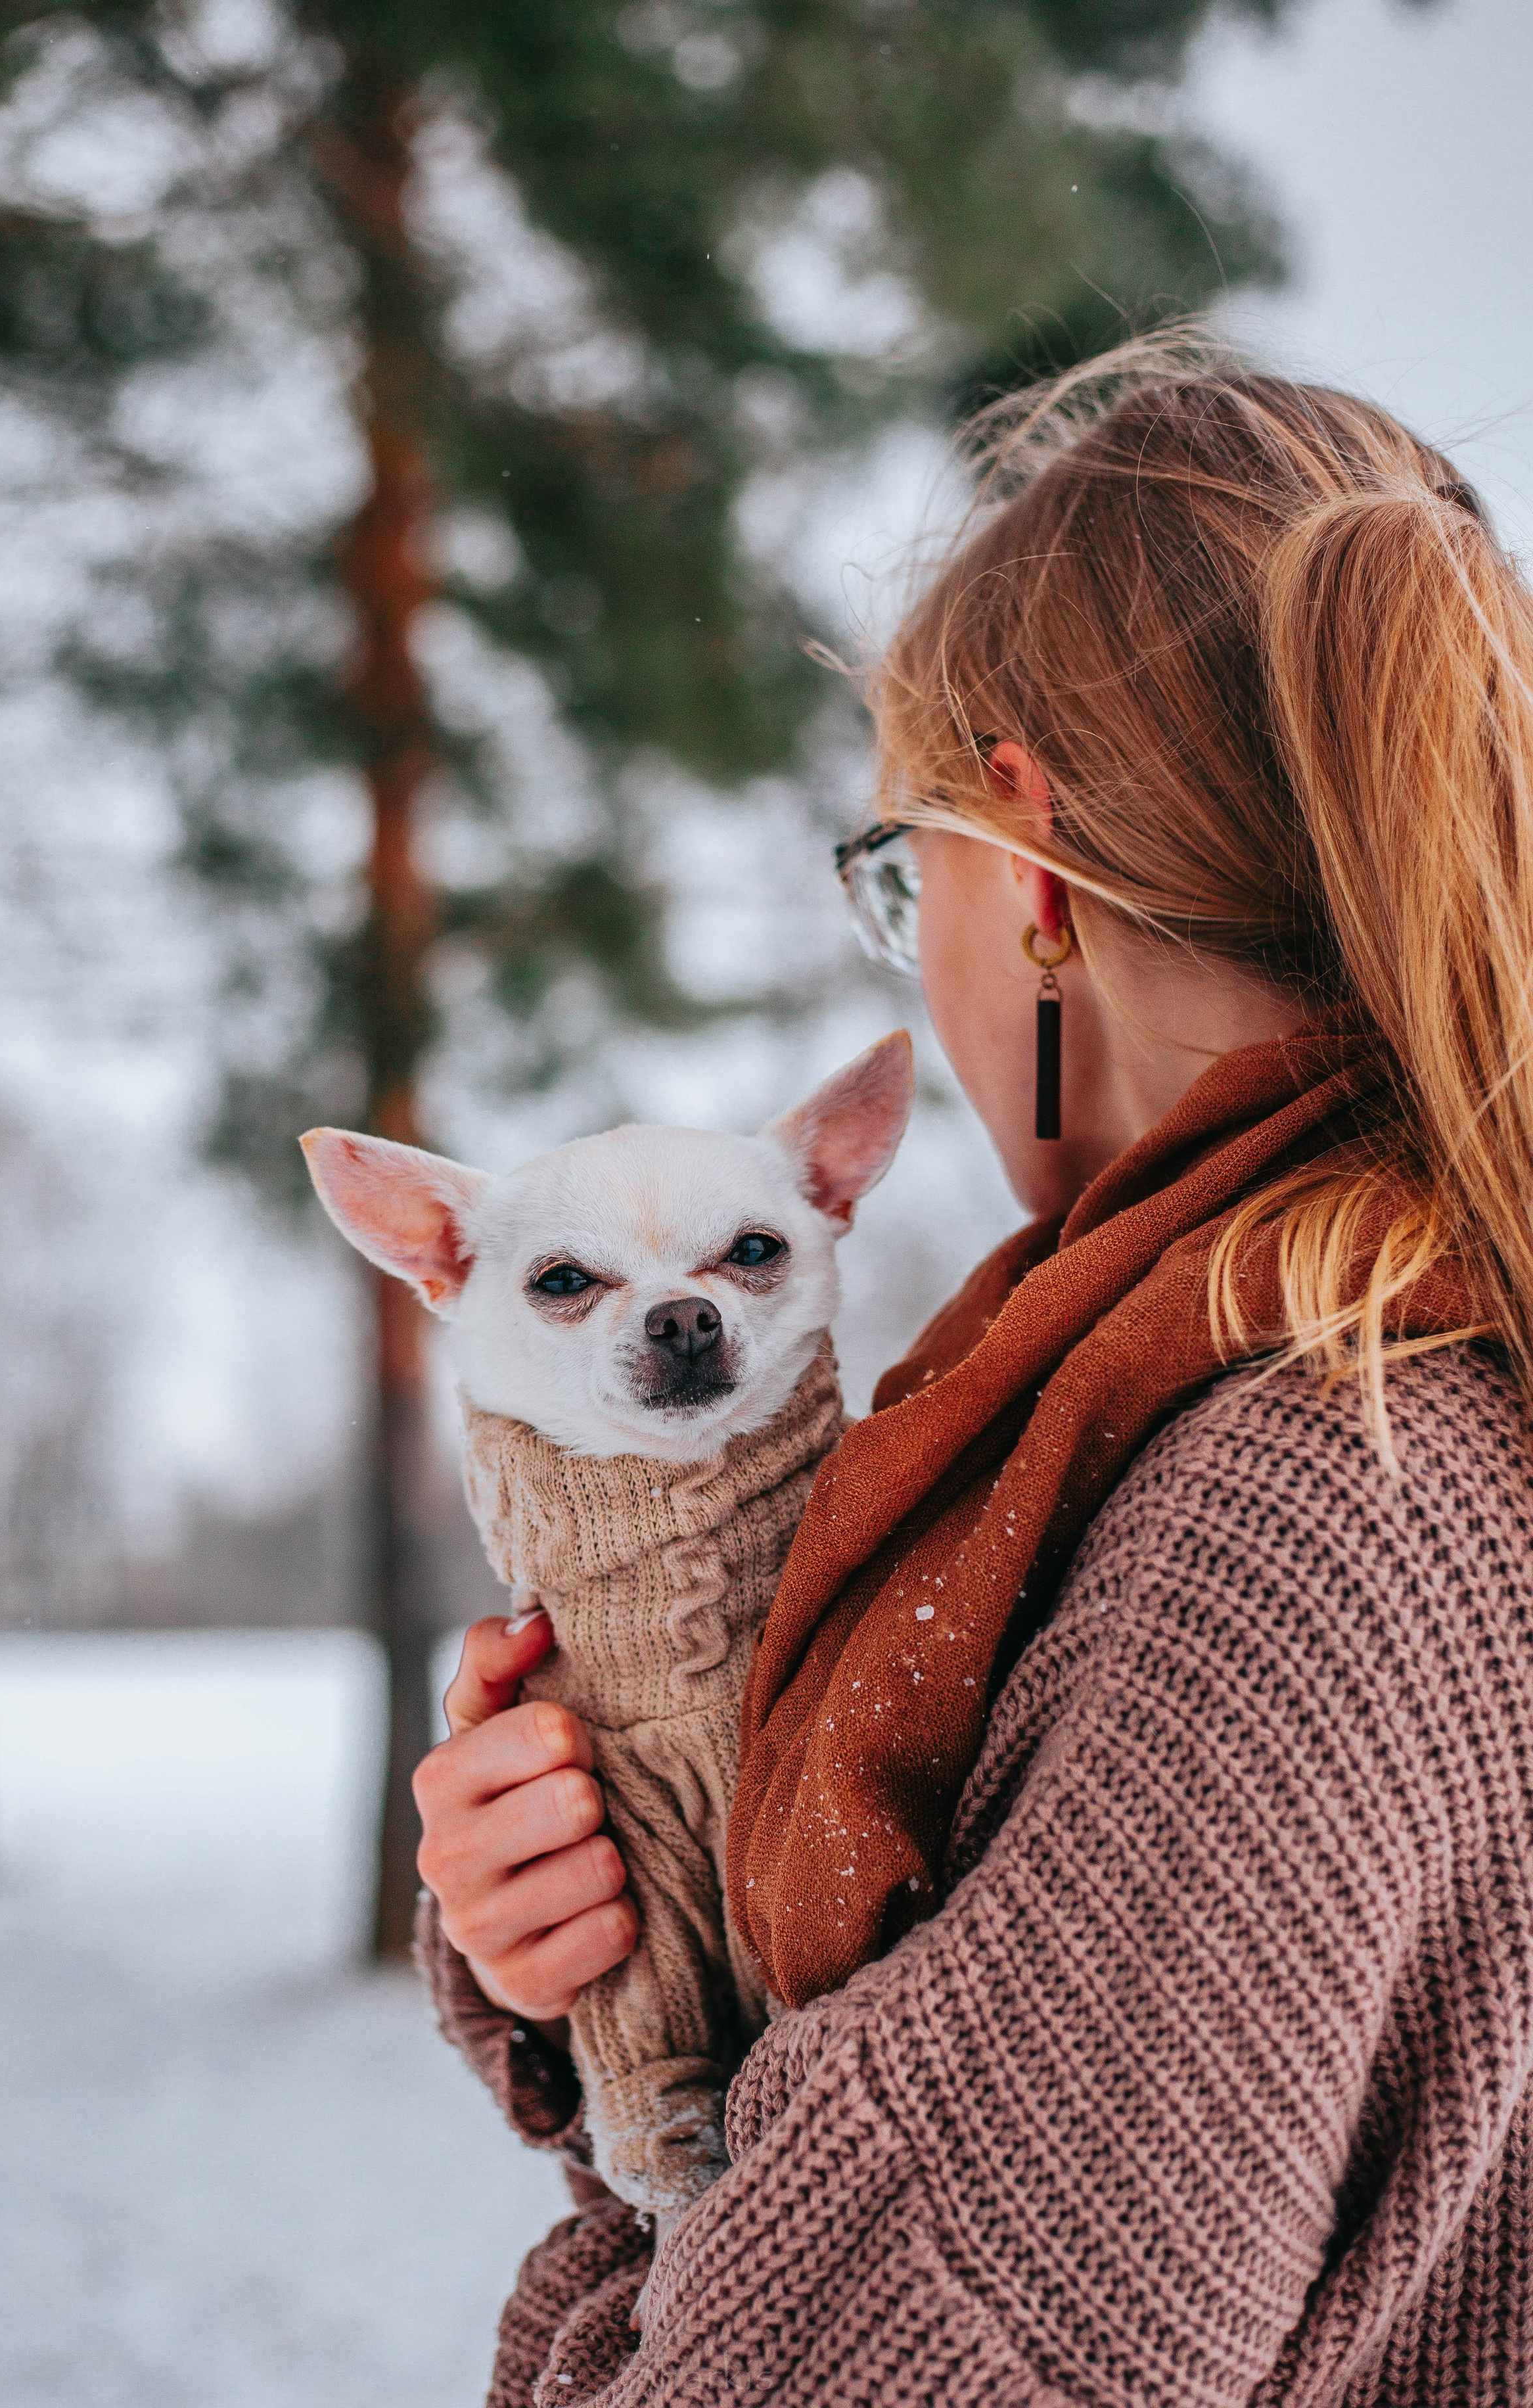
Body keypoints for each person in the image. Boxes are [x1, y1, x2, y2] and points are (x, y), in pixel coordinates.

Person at [411, 338, 1533, 2405]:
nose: (904, 955)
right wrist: (625, 1958)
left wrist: (631, 2297)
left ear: (1020, 868)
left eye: (892, 877)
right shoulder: (1334, 1380)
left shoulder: (1296, 1505)